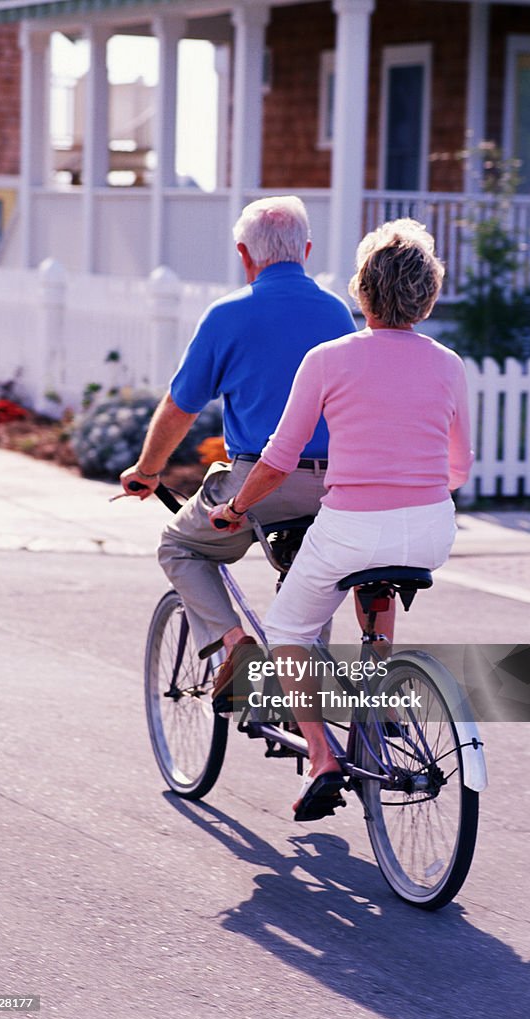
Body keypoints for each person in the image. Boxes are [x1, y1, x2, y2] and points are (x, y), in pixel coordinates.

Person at [209, 218, 474, 821]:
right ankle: (376, 697)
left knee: (288, 634)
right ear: (427, 295)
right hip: (432, 527)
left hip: (352, 526)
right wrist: (424, 489)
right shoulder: (449, 364)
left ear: (362, 291)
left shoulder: (328, 359)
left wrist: (236, 507)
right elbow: (459, 464)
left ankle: (324, 757)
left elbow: (278, 459)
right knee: (378, 581)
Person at [120, 195, 356, 687]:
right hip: (333, 482)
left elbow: (182, 406)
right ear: (306, 250)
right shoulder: (337, 313)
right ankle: (304, 702)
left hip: (259, 479)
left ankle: (235, 644)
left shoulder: (227, 315)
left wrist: (147, 470)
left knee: (180, 547)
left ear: (244, 255)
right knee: (308, 573)